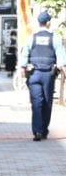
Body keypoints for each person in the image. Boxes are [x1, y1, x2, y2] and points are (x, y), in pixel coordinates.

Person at [17, 11, 66, 140]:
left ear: (39, 23)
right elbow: (61, 56)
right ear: (48, 23)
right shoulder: (54, 38)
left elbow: (24, 54)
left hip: (33, 74)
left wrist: (22, 68)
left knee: (36, 103)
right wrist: (63, 69)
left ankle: (37, 131)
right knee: (47, 103)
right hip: (48, 75)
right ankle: (43, 130)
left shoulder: (31, 38)